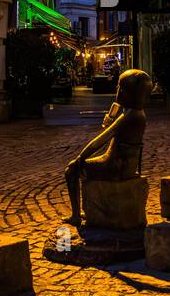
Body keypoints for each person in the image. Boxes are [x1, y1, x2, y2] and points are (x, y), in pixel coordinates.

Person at [63, 69, 152, 226]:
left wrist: (80, 158)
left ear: (126, 92)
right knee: (82, 169)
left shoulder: (128, 117)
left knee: (71, 170)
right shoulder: (136, 113)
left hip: (114, 165)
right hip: (125, 165)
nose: (116, 91)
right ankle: (89, 207)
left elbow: (100, 141)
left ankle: (76, 215)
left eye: (119, 87)